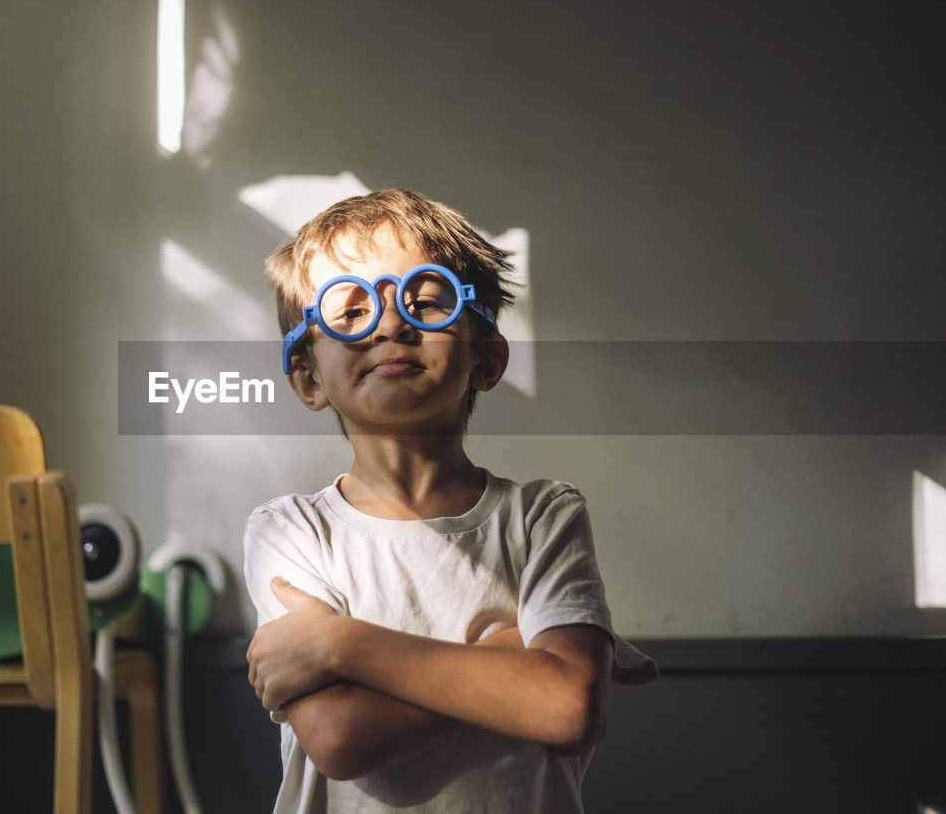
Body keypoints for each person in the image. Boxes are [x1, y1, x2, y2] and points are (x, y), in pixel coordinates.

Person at [243, 189, 656, 813]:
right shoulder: (290, 531)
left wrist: (339, 644)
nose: (389, 324)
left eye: (426, 300)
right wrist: (511, 661)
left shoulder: (543, 518)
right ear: (308, 376)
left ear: (486, 359)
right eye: (349, 312)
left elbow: (569, 707)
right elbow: (339, 738)